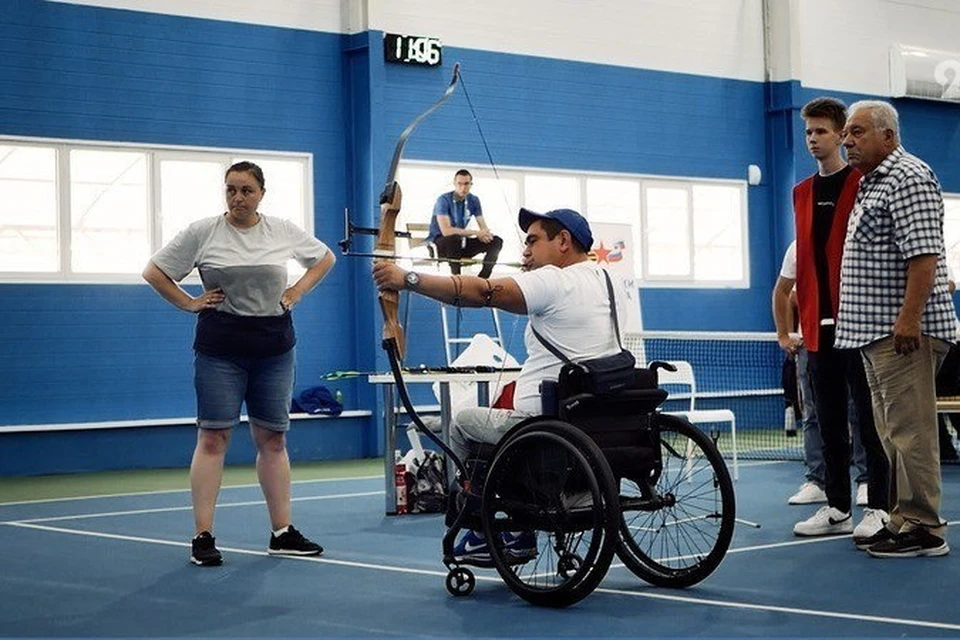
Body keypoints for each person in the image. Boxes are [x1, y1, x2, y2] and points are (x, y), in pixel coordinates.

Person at [374, 207, 626, 561]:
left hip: (546, 426)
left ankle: (482, 528)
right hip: (598, 424)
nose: (525, 252)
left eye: (534, 241)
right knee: (497, 425)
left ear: (564, 241)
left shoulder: (554, 280)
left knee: (461, 422)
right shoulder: (611, 282)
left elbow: (481, 292)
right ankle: (528, 513)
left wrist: (409, 279)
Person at [142, 161, 335, 566]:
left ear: (262, 193)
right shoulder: (202, 232)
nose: (237, 198)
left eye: (246, 190)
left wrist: (297, 290)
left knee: (274, 440)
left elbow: (324, 258)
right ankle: (203, 536)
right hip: (220, 350)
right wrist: (190, 303)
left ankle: (282, 532)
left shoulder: (281, 230)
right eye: (230, 189)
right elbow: (154, 271)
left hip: (275, 348)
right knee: (213, 439)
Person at [837, 100, 955, 558]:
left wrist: (909, 318)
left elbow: (924, 257)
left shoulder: (908, 177)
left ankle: (925, 527)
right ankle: (906, 519)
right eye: (846, 132)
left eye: (858, 132)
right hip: (875, 335)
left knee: (911, 431)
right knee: (892, 432)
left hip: (903, 334)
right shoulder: (871, 182)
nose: (848, 140)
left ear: (888, 136)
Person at [787, 97, 890, 545]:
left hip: (861, 322)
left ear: (842, 133)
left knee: (869, 421)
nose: (814, 139)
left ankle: (880, 508)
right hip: (817, 326)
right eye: (808, 132)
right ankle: (837, 507)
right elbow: (807, 263)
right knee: (827, 420)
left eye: (822, 131)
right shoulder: (801, 192)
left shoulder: (864, 184)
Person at [772, 241, 869, 506]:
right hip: (810, 344)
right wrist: (783, 335)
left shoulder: (852, 239)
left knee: (857, 411)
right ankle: (817, 481)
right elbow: (782, 292)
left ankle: (865, 481)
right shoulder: (797, 247)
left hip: (852, 339)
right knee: (813, 415)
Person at [429, 169, 503, 278]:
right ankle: (457, 279)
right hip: (442, 245)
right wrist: (476, 233)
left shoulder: (474, 200)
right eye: (459, 184)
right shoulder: (443, 200)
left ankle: (482, 279)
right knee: (453, 238)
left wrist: (486, 235)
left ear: (471, 184)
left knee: (496, 241)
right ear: (454, 184)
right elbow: (446, 231)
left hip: (460, 245)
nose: (463, 188)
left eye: (466, 184)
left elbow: (483, 226)